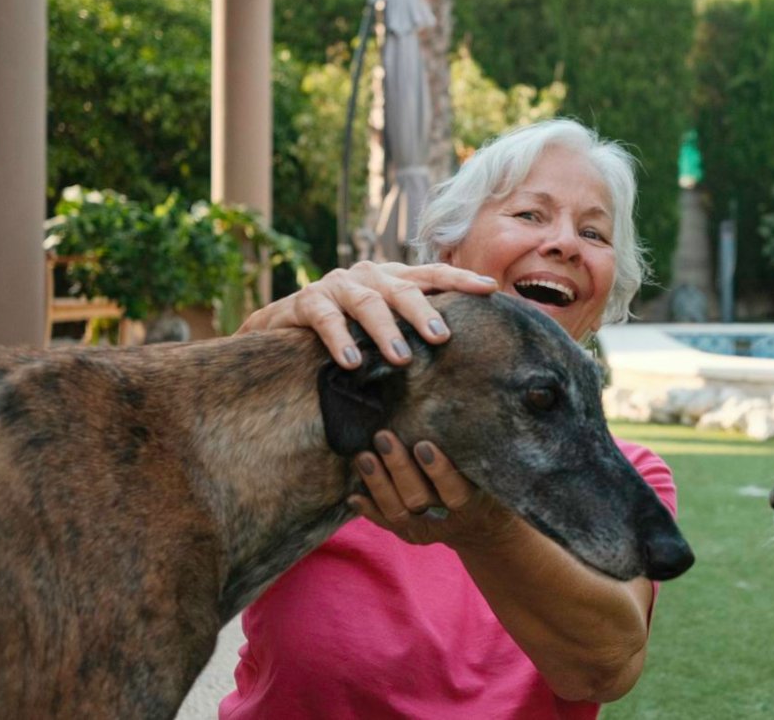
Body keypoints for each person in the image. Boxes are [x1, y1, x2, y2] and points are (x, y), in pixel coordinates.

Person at [219, 119, 677, 719]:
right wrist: (267, 339)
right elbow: (178, 484)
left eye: (593, 232)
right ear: (447, 251)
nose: (566, 243)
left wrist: (485, 530)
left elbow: (603, 666)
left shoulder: (630, 475)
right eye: (530, 215)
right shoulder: (341, 397)